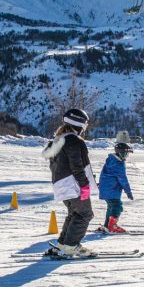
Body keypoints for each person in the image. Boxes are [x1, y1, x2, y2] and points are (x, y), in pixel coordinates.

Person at [42, 108, 97, 257]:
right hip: (74, 185)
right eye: (84, 125)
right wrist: (84, 185)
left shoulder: (59, 140)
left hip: (62, 185)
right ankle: (71, 246)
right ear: (80, 124)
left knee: (74, 213)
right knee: (85, 214)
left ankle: (62, 244)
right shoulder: (73, 140)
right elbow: (77, 166)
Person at [97, 141, 134, 233]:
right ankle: (112, 226)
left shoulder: (111, 160)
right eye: (126, 153)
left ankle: (107, 225)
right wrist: (128, 192)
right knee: (117, 206)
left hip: (105, 189)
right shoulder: (118, 164)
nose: (127, 156)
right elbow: (123, 180)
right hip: (111, 190)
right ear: (121, 152)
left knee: (111, 207)